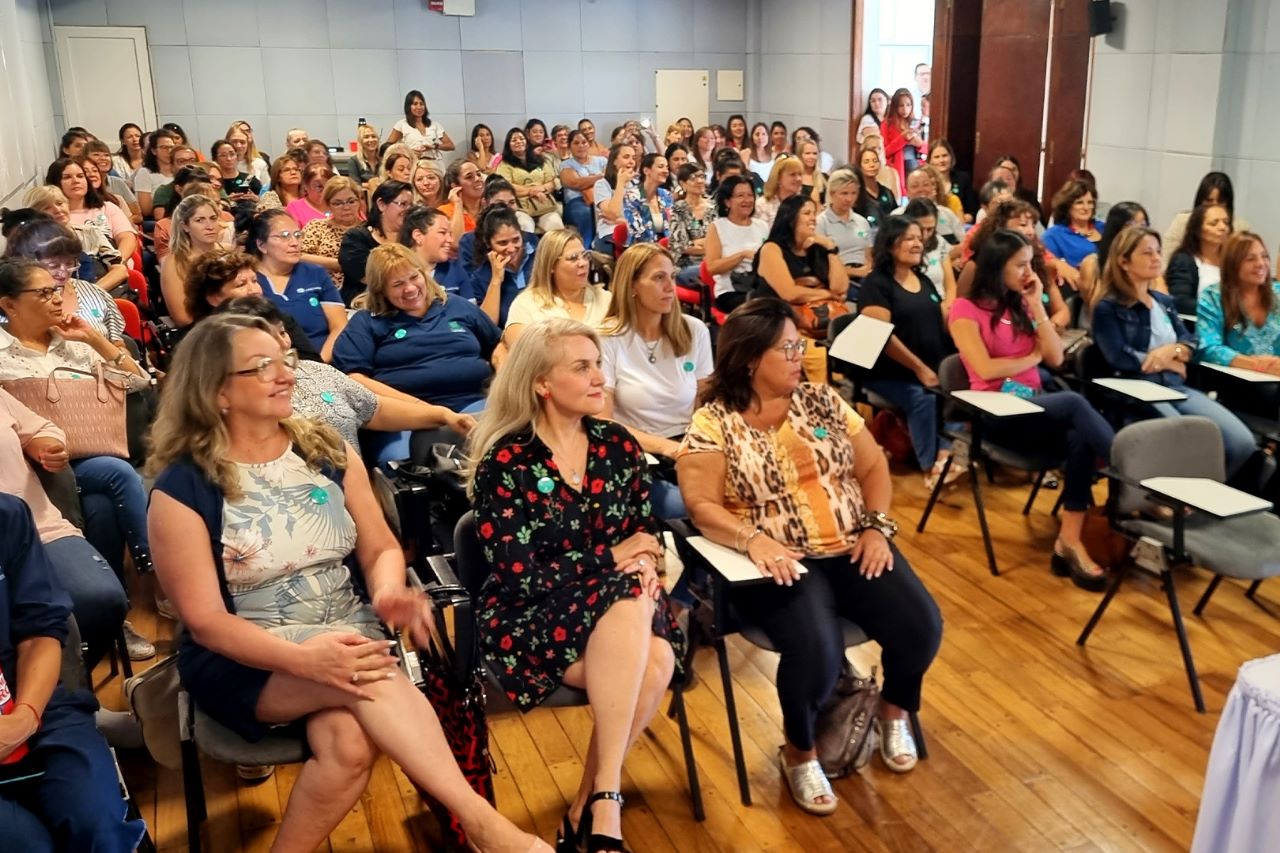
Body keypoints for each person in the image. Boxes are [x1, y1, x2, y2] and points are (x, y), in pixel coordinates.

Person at [146, 314, 549, 853]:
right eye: (260, 367)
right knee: (368, 672)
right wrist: (305, 661)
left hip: (343, 625)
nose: (284, 374)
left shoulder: (324, 450)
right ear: (216, 390)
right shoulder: (183, 486)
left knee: (350, 743)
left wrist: (386, 591)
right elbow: (206, 622)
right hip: (246, 654)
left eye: (283, 360)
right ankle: (482, 823)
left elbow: (381, 547)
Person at [677, 298, 942, 811]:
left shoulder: (822, 401)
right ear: (752, 358)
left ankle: (894, 710)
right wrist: (753, 540)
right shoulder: (715, 421)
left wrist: (876, 527)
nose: (802, 354)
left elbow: (873, 470)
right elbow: (701, 506)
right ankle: (799, 751)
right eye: (789, 347)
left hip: (849, 543)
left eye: (801, 344)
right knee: (817, 653)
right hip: (777, 560)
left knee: (920, 626)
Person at [465, 317, 682, 852]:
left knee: (652, 649)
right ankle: (601, 809)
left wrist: (649, 558)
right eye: (581, 367)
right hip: (531, 617)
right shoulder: (506, 462)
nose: (598, 378)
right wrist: (612, 558)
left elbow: (643, 528)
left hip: (614, 613)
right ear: (542, 382)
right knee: (647, 646)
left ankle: (591, 808)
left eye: (598, 365)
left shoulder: (618, 446)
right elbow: (519, 577)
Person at [949, 230, 1115, 590]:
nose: (1029, 272)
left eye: (1030, 264)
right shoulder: (965, 309)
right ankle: (1129, 471)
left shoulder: (1021, 304)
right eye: (1020, 265)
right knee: (1073, 402)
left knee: (1079, 439)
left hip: (1035, 406)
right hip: (996, 413)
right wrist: (1029, 357)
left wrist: (1038, 305)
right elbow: (985, 369)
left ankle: (1069, 542)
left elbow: (1054, 358)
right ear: (997, 267)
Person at [0, 493, 146, 852]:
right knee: (27, 845)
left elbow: (41, 629)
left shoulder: (7, 516)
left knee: (98, 824)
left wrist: (26, 718)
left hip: (35, 703)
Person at [0, 258, 154, 576]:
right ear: (9, 305)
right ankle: (156, 568)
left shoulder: (76, 344)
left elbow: (139, 383)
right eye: (43, 293)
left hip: (86, 453)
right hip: (35, 465)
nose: (57, 297)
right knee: (118, 473)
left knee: (102, 506)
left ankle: (111, 599)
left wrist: (93, 339)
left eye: (56, 289)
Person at [214, 297, 476, 458]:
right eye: (267, 339)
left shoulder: (315, 371)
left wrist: (442, 415)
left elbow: (375, 409)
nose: (281, 344)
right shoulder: (238, 395)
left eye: (282, 333)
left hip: (347, 498)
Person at [1092, 226, 1255, 479]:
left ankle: (1200, 496)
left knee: (1242, 442)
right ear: (1124, 261)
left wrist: (1172, 350)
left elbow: (1190, 341)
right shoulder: (1108, 307)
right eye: (1147, 253)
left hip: (1176, 387)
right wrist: (1171, 361)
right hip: (1136, 390)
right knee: (1191, 440)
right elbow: (1120, 357)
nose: (1157, 258)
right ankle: (1168, 501)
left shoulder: (1164, 303)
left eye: (1158, 252)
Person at [600, 243, 712, 519]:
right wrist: (666, 448)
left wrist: (698, 446)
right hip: (639, 454)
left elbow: (705, 401)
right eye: (659, 278)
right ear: (632, 286)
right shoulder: (606, 339)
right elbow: (604, 421)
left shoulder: (693, 330)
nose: (670, 287)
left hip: (691, 446)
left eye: (672, 277)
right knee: (691, 509)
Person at [333, 243, 497, 415]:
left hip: (475, 402)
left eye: (414, 277)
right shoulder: (366, 322)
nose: (410, 289)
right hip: (406, 415)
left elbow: (498, 344)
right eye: (397, 284)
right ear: (381, 290)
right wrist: (427, 411)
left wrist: (502, 372)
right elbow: (355, 378)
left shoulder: (456, 305)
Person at [856, 216, 957, 483]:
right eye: (909, 239)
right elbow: (883, 338)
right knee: (922, 397)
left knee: (964, 390)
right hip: (890, 373)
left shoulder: (922, 280)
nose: (917, 244)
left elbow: (937, 323)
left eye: (919, 239)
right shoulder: (876, 284)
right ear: (890, 245)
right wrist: (920, 369)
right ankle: (929, 467)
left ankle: (943, 457)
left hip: (929, 366)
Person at [752, 195, 849, 383]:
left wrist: (830, 249)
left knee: (857, 352)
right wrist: (828, 294)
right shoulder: (772, 249)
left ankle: (854, 405)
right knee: (818, 355)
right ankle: (821, 404)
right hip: (780, 325)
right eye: (807, 213)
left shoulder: (817, 249)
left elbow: (841, 287)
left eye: (815, 213)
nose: (813, 218)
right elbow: (789, 293)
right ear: (790, 218)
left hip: (822, 322)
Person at [2, 218, 126, 344]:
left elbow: (118, 343)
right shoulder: (13, 303)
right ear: (27, 263)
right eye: (53, 265)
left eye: (69, 263)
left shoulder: (94, 292)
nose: (64, 272)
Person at [184, 248, 321, 362]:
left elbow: (315, 366)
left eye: (255, 281)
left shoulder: (280, 320)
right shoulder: (198, 341)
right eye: (241, 284)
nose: (255, 290)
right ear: (214, 298)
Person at [956, 199, 1071, 330]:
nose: (1030, 232)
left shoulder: (1039, 263)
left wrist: (1049, 326)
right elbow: (961, 315)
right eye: (1023, 225)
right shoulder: (975, 267)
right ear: (1001, 228)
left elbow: (1062, 311)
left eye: (1033, 225)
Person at [249, 210, 347, 359]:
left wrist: (319, 365)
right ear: (262, 245)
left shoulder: (316, 273)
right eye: (284, 236)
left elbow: (339, 326)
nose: (295, 243)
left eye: (298, 235)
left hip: (324, 361)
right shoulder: (250, 280)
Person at [504, 230, 611, 348]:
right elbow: (517, 351)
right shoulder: (526, 304)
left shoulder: (606, 300)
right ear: (551, 266)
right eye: (573, 258)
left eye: (585, 256)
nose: (583, 263)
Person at [1198, 232, 1280, 376]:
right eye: (1250, 259)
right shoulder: (1213, 297)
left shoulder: (1277, 293)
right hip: (1236, 380)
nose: (1261, 264)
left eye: (1264, 256)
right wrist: (1256, 365)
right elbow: (1208, 348)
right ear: (1232, 264)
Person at [44, 159, 138, 269]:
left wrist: (116, 263)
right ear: (55, 183)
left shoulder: (107, 208)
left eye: (80, 176)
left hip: (112, 268)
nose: (75, 181)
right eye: (67, 177)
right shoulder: (53, 216)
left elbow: (127, 238)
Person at [338, 180, 413, 305]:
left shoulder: (413, 237)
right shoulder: (355, 239)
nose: (408, 210)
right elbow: (372, 278)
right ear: (381, 205)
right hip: (365, 305)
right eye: (403, 204)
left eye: (411, 205)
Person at [705, 175, 769, 315]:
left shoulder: (762, 226)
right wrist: (743, 255)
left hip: (760, 287)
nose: (747, 200)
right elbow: (712, 267)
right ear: (727, 202)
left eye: (750, 195)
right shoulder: (717, 227)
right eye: (740, 196)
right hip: (731, 292)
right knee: (761, 308)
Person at [159, 195, 225, 326]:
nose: (209, 226)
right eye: (199, 220)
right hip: (199, 331)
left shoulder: (228, 252)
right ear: (185, 226)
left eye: (213, 218)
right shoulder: (174, 263)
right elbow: (183, 318)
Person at [1078, 202, 1157, 307]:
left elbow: (1161, 305)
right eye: (1130, 226)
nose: (1138, 233)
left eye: (1143, 225)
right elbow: (1097, 308)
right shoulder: (1092, 263)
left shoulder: (1149, 263)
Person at [1163, 172, 1250, 260]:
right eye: (1209, 201)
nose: (1214, 206)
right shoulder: (1182, 222)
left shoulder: (1240, 227)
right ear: (1200, 201)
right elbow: (1166, 259)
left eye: (1220, 201)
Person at [1166, 202, 1231, 315]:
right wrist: (1217, 310)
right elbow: (1180, 302)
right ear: (1198, 230)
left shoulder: (1231, 262)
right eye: (1214, 223)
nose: (1222, 227)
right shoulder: (1184, 260)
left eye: (1226, 222)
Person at [300, 176, 363, 290]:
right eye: (338, 203)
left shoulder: (369, 229)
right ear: (328, 205)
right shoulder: (317, 226)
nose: (346, 207)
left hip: (360, 289)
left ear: (359, 201)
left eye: (351, 201)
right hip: (320, 286)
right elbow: (299, 256)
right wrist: (339, 265)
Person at [496, 128, 564, 233]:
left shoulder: (541, 160)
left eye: (521, 139)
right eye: (514, 140)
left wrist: (539, 190)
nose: (518, 141)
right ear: (508, 145)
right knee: (525, 227)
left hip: (544, 206)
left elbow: (551, 183)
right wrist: (532, 191)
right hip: (520, 209)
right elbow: (507, 187)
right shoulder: (504, 165)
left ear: (527, 142)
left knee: (557, 227)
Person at [816, 169, 874, 285]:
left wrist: (868, 270)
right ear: (832, 193)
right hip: (838, 277)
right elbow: (821, 264)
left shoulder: (862, 222)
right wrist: (855, 272)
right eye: (844, 193)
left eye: (853, 193)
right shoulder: (821, 222)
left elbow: (868, 255)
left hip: (865, 275)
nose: (849, 199)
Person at [901, 198, 959, 310]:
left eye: (930, 229)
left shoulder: (939, 242)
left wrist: (947, 309)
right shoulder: (902, 248)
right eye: (921, 229)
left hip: (942, 305)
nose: (925, 235)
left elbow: (950, 286)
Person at [668, 163, 716, 283]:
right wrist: (711, 245)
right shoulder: (678, 209)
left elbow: (724, 239)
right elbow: (682, 246)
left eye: (702, 176)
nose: (700, 181)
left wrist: (700, 243)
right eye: (693, 178)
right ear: (683, 184)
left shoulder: (715, 206)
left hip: (713, 259)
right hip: (686, 265)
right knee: (712, 270)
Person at [1041, 180, 1102, 269]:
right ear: (1067, 206)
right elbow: (1044, 264)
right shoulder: (1054, 235)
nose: (1086, 208)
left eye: (1090, 202)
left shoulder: (1103, 227)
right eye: (1079, 203)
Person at [559, 130, 606, 246]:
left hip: (602, 199)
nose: (581, 146)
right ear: (569, 146)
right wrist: (599, 177)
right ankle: (586, 248)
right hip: (577, 202)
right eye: (576, 143)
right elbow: (575, 183)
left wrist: (587, 180)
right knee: (585, 213)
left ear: (589, 144)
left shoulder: (602, 161)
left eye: (584, 142)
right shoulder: (566, 164)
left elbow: (609, 180)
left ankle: (605, 248)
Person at [82, 140, 141, 226]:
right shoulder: (81, 187)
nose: (103, 158)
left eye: (106, 155)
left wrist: (119, 223)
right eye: (96, 155)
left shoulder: (118, 184)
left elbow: (138, 215)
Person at [399, 204, 457, 289]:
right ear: (418, 236)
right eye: (442, 232)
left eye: (450, 234)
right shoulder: (395, 271)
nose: (450, 240)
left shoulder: (455, 269)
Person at [620, 153, 673, 245]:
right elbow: (637, 232)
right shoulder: (632, 196)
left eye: (667, 167)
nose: (666, 171)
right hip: (641, 250)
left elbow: (671, 227)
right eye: (661, 167)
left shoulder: (666, 195)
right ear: (646, 170)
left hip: (665, 249)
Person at [592, 144, 638, 248]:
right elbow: (613, 214)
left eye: (633, 158)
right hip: (610, 233)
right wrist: (621, 183)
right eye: (626, 157)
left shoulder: (638, 184)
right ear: (614, 161)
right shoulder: (602, 184)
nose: (631, 161)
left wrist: (623, 221)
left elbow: (644, 216)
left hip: (636, 231)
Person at [388, 89, 454, 160]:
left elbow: (451, 146)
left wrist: (435, 146)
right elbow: (388, 147)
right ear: (408, 106)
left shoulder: (434, 124)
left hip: (434, 164)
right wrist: (407, 152)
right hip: (413, 165)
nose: (419, 107)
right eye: (415, 104)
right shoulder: (401, 124)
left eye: (421, 104)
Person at [881, 89, 924, 190]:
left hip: (915, 164)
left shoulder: (915, 123)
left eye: (908, 105)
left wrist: (919, 144)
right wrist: (903, 138)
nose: (905, 109)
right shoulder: (887, 124)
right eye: (901, 105)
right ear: (895, 106)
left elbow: (925, 147)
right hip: (896, 167)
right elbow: (884, 151)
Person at [132, 129, 178, 218]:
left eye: (171, 147)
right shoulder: (145, 173)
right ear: (154, 151)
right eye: (164, 147)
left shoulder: (181, 170)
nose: (169, 151)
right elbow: (146, 210)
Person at [927, 138, 976, 219]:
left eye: (944, 156)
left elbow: (972, 211)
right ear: (930, 160)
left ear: (951, 157)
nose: (941, 160)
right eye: (937, 157)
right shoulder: (926, 181)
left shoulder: (963, 178)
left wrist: (966, 218)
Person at [212, 139, 263, 214]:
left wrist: (256, 199)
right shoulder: (214, 182)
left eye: (232, 154)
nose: (229, 159)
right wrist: (226, 200)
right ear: (215, 159)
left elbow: (266, 201)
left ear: (237, 156)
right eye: (223, 155)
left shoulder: (250, 179)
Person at [441, 158, 486, 242]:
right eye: (469, 177)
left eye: (479, 174)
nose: (477, 179)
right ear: (455, 186)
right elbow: (456, 242)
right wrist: (458, 204)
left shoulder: (490, 206)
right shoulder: (444, 212)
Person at [755, 156, 804, 228]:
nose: (798, 178)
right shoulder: (762, 205)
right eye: (792, 174)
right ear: (778, 178)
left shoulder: (804, 204)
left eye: (800, 174)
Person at [856, 145, 897, 227]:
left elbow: (895, 215)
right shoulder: (857, 194)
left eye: (875, 161)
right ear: (860, 166)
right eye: (866, 162)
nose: (872, 165)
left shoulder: (887, 192)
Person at [284, 163, 334, 227]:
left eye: (328, 185)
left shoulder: (339, 204)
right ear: (305, 185)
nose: (325, 190)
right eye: (318, 186)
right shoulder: (294, 208)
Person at [226, 121, 269, 187]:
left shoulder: (259, 164)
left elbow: (268, 192)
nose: (238, 145)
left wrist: (256, 197)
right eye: (234, 141)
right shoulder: (218, 165)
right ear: (227, 142)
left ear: (248, 144)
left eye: (242, 142)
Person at [347, 123, 382, 188]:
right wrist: (371, 185)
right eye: (366, 137)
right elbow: (355, 185)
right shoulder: (354, 161)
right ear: (360, 141)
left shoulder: (384, 159)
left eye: (374, 136)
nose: (371, 140)